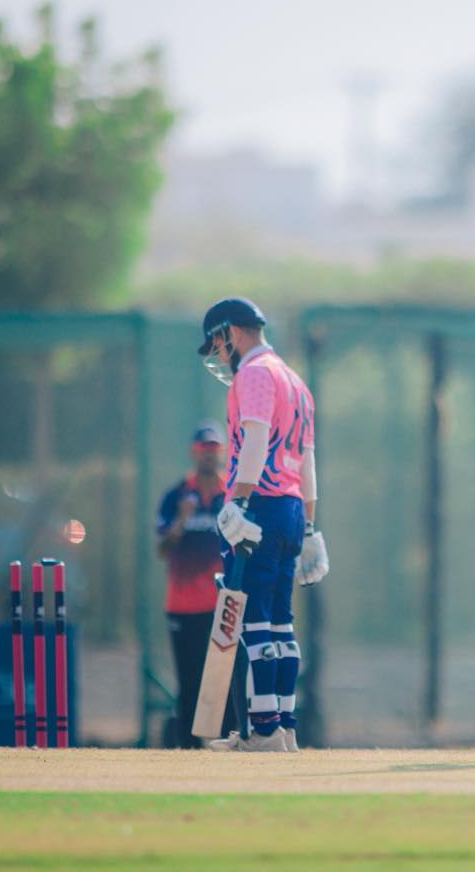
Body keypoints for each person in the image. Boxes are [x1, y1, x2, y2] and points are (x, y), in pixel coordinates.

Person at [197, 296, 328, 752]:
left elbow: (254, 440)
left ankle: (264, 731)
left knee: (252, 621)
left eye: (218, 344)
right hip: (290, 509)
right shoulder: (295, 381)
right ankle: (285, 729)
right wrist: (309, 526)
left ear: (232, 332)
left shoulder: (254, 373)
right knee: (280, 624)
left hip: (260, 506)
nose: (218, 355)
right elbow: (307, 461)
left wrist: (238, 500)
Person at [155, 421, 230, 748]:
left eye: (214, 449)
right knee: (188, 682)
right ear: (193, 453)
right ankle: (187, 752)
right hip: (183, 605)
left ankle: (227, 747)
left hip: (222, 604)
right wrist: (182, 519)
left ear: (222, 452)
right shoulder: (175, 496)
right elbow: (162, 550)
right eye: (203, 449)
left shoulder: (231, 495)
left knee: (223, 682)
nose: (208, 456)